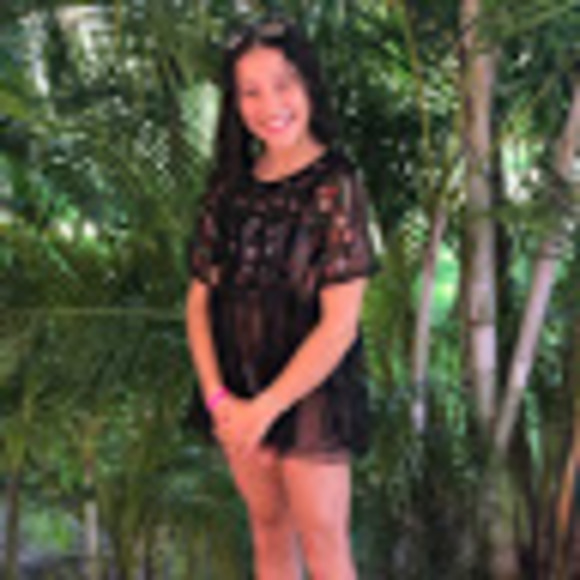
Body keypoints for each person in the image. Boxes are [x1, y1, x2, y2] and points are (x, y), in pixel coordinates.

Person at [185, 15, 378, 580]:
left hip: (311, 394)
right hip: (236, 387)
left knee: (324, 546)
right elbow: (198, 304)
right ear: (234, 103)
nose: (270, 104)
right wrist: (219, 400)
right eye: (251, 91)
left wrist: (263, 411)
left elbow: (339, 325)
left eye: (283, 84)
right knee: (268, 531)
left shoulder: (336, 184)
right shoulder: (229, 188)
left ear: (308, 85)